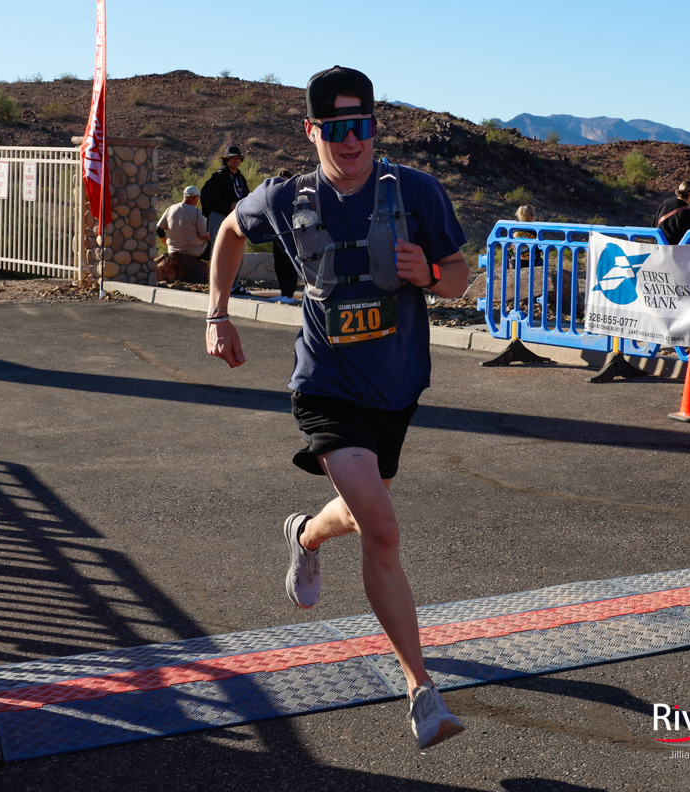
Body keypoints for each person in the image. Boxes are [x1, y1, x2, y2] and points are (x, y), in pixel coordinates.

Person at [206, 65, 470, 750]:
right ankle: (421, 691)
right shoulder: (284, 197)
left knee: (358, 514)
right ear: (311, 130)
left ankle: (303, 536)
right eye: (335, 128)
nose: (349, 140)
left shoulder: (414, 191)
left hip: (396, 388)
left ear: (374, 128)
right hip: (325, 387)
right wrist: (217, 313)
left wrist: (429, 275)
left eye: (360, 126)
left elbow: (458, 274)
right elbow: (229, 231)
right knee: (382, 529)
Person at [201, 145, 251, 295]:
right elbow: (211, 201)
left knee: (237, 250)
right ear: (226, 160)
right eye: (233, 158)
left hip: (236, 217)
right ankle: (217, 285)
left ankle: (233, 285)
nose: (236, 161)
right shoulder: (218, 177)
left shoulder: (240, 178)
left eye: (238, 158)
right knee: (219, 251)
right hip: (219, 216)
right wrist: (230, 205)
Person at [155, 186, 210, 283]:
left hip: (173, 250)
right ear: (195, 197)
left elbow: (159, 229)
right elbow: (204, 235)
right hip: (195, 250)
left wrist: (167, 244)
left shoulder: (171, 209)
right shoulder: (197, 212)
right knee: (219, 250)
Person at [270, 169, 301, 304]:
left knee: (290, 264)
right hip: (278, 234)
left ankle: (289, 294)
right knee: (279, 264)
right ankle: (283, 292)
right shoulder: (275, 195)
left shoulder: (296, 195)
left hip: (291, 233)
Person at [655, 180, 690, 245]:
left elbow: (655, 224)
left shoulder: (666, 203)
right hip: (674, 248)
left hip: (658, 245)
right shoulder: (688, 212)